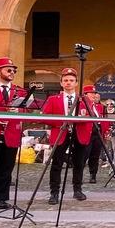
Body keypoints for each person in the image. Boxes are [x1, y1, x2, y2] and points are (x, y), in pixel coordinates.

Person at [41, 68, 93, 204]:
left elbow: (91, 117)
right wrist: (62, 121)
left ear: (76, 83)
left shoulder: (84, 99)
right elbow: (45, 117)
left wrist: (78, 120)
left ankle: (77, 189)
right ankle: (54, 192)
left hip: (78, 133)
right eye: (65, 80)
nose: (68, 83)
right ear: (61, 83)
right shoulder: (53, 99)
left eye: (71, 80)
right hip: (60, 132)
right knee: (57, 164)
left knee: (79, 163)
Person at [0, 57, 25, 209]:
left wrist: (19, 110)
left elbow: (26, 110)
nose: (12, 72)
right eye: (8, 70)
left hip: (11, 135)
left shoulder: (19, 90)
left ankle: (1, 198)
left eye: (14, 70)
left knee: (6, 168)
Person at [81, 85, 107, 184]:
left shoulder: (97, 106)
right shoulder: (83, 105)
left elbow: (102, 120)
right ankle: (79, 175)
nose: (93, 95)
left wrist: (104, 132)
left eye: (94, 93)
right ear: (85, 94)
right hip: (88, 133)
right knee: (84, 155)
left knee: (95, 155)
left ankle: (93, 175)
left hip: (97, 133)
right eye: (91, 93)